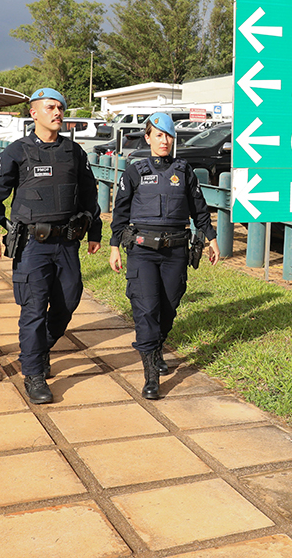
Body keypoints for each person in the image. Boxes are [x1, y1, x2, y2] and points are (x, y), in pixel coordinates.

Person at [0, 88, 102, 405]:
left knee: (68, 302)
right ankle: (33, 373)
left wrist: (95, 232)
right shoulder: (16, 152)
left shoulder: (74, 152)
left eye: (60, 107)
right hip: (32, 245)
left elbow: (90, 196)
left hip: (67, 244)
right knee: (33, 309)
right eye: (50, 107)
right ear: (33, 113)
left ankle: (38, 348)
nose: (58, 112)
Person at [109, 112, 220, 399]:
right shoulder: (135, 171)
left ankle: (157, 349)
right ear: (148, 138)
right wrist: (114, 246)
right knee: (146, 309)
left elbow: (199, 208)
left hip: (175, 251)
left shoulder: (184, 171)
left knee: (169, 305)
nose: (164, 140)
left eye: (168, 135)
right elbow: (120, 211)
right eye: (158, 135)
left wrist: (211, 238)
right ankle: (150, 376)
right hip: (142, 251)